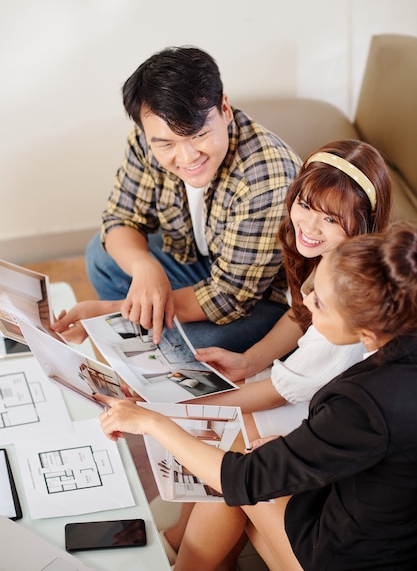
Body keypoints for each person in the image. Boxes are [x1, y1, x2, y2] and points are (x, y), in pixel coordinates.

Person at [97, 220, 417, 570]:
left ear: (367, 333)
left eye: (321, 304)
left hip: (350, 555)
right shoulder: (397, 359)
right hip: (386, 525)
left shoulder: (363, 403)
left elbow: (240, 478)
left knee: (233, 464)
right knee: (249, 454)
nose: (307, 302)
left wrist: (152, 421)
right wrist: (297, 449)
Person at [82, 45, 301, 350]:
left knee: (194, 344)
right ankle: (146, 329)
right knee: (101, 254)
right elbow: (121, 218)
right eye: (166, 144)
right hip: (199, 261)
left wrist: (115, 310)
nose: (186, 156)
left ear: (224, 109)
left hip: (259, 296)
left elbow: (230, 297)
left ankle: (144, 329)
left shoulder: (267, 178)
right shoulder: (148, 140)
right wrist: (145, 269)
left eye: (198, 135)